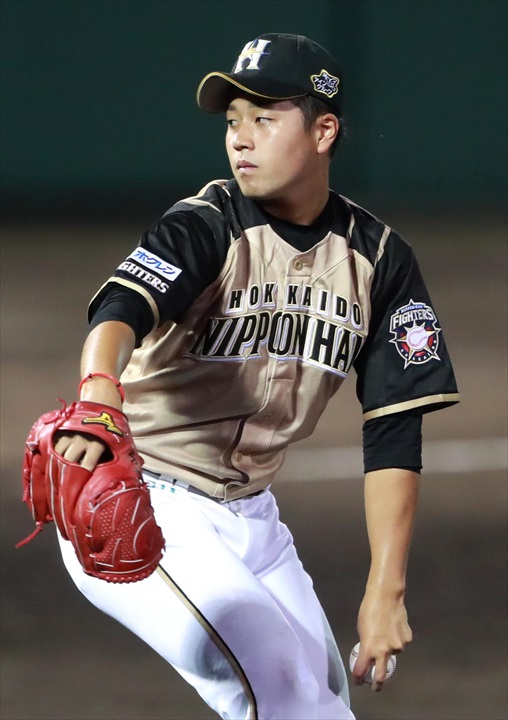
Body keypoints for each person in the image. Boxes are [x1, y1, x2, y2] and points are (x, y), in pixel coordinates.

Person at [52, 33, 459, 719]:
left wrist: (385, 589)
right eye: (234, 120)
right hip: (144, 500)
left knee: (323, 703)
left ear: (324, 131)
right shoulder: (207, 223)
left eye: (264, 118)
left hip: (255, 519)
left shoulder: (379, 260)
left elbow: (395, 428)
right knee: (279, 690)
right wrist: (98, 390)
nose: (240, 138)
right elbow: (122, 311)